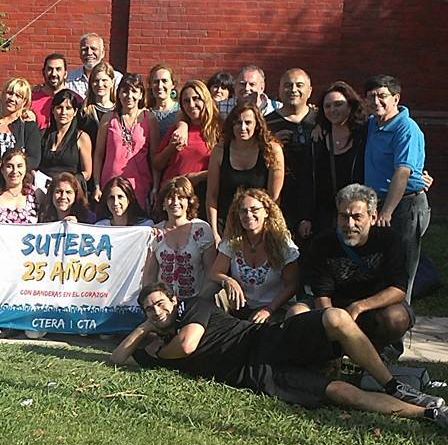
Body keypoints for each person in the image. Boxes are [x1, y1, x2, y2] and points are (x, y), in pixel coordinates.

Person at [110, 282, 448, 430]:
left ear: (173, 298)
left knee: (335, 318)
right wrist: (142, 329)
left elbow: (187, 345)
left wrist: (159, 347)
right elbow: (116, 359)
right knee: (340, 393)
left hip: (267, 340)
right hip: (258, 376)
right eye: (148, 309)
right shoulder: (153, 340)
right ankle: (427, 412)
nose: (155, 310)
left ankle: (391, 385)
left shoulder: (195, 307)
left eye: (159, 303)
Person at [308, 183, 414, 363]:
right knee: (296, 312)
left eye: (357, 217)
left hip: (375, 308)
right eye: (344, 216)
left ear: (373, 217)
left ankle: (380, 354)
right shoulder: (322, 243)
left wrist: (359, 307)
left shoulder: (390, 240)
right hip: (336, 307)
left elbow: (398, 288)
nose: (349, 224)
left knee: (397, 318)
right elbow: (322, 294)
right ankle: (326, 356)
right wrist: (333, 321)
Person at [363, 75, 429, 302]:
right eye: (371, 97)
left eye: (382, 96)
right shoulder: (373, 123)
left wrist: (387, 212)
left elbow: (402, 172)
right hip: (380, 204)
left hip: (406, 205)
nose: (376, 101)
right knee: (381, 267)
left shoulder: (406, 128)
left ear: (396, 98)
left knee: (401, 271)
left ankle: (399, 327)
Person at [208, 188, 306, 323]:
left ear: (266, 212)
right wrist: (228, 281)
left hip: (275, 307)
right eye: (243, 211)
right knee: (213, 291)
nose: (248, 215)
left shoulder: (282, 244)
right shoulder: (233, 241)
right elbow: (214, 272)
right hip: (241, 305)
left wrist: (269, 309)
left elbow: (292, 285)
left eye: (254, 209)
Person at [206, 103, 285, 244]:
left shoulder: (272, 150)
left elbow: (274, 198)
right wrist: (214, 232)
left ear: (257, 124)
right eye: (237, 123)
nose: (242, 128)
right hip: (227, 221)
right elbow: (212, 196)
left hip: (259, 221)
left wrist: (264, 228)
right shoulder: (219, 151)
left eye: (248, 122)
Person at [308, 81, 367, 236]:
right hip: (325, 218)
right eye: (327, 106)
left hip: (356, 215)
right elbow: (308, 181)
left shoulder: (365, 137)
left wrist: (415, 177)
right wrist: (306, 217)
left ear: (350, 105)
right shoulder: (317, 140)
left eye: (338, 104)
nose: (332, 110)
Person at [93, 72, 157, 211]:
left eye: (134, 91)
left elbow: (154, 158)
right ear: (118, 94)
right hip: (111, 185)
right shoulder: (108, 118)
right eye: (125, 91)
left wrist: (156, 187)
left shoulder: (149, 118)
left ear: (141, 94)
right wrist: (97, 185)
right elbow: (98, 154)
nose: (129, 96)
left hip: (139, 185)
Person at [144, 176, 215, 300]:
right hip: (164, 306)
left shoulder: (202, 229)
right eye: (170, 198)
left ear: (189, 202)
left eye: (181, 198)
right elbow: (149, 276)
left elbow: (211, 272)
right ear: (163, 203)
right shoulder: (155, 233)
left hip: (197, 301)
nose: (175, 202)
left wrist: (200, 303)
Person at [153, 79, 222, 206]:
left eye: (196, 98)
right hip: (172, 197)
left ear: (205, 99)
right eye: (186, 101)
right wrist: (171, 147)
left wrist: (196, 177)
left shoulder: (219, 130)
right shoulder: (177, 129)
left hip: (201, 195)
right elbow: (157, 164)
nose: (191, 104)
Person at [266, 68, 317, 238]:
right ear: (279, 90)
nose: (293, 90)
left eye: (299, 85)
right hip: (280, 199)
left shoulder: (321, 120)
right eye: (288, 85)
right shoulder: (266, 123)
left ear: (309, 91)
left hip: (316, 199)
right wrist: (271, 142)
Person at [40, 89, 93, 186]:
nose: (63, 112)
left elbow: (87, 173)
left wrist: (69, 182)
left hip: (70, 190)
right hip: (43, 190)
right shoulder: (43, 135)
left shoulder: (82, 137)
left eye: (68, 108)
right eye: (59, 107)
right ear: (52, 110)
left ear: (75, 111)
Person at [0, 148, 39, 226]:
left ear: (25, 168)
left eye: (19, 166)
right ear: (2, 169)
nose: (15, 171)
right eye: (9, 166)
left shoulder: (37, 194)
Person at [66, 33, 123, 99]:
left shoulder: (117, 78)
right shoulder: (69, 78)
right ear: (80, 53)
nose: (89, 53)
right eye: (85, 49)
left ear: (102, 53)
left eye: (93, 48)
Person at [82, 61, 119, 143]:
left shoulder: (119, 111)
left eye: (104, 80)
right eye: (96, 80)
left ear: (112, 82)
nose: (100, 84)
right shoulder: (84, 112)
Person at [30, 53, 68, 129]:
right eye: (50, 69)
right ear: (43, 72)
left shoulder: (75, 100)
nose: (54, 74)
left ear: (65, 74)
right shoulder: (30, 99)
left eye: (58, 69)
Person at [147, 63, 180, 135]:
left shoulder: (181, 110)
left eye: (164, 81)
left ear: (173, 85)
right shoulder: (145, 113)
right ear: (150, 85)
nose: (160, 86)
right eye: (156, 82)